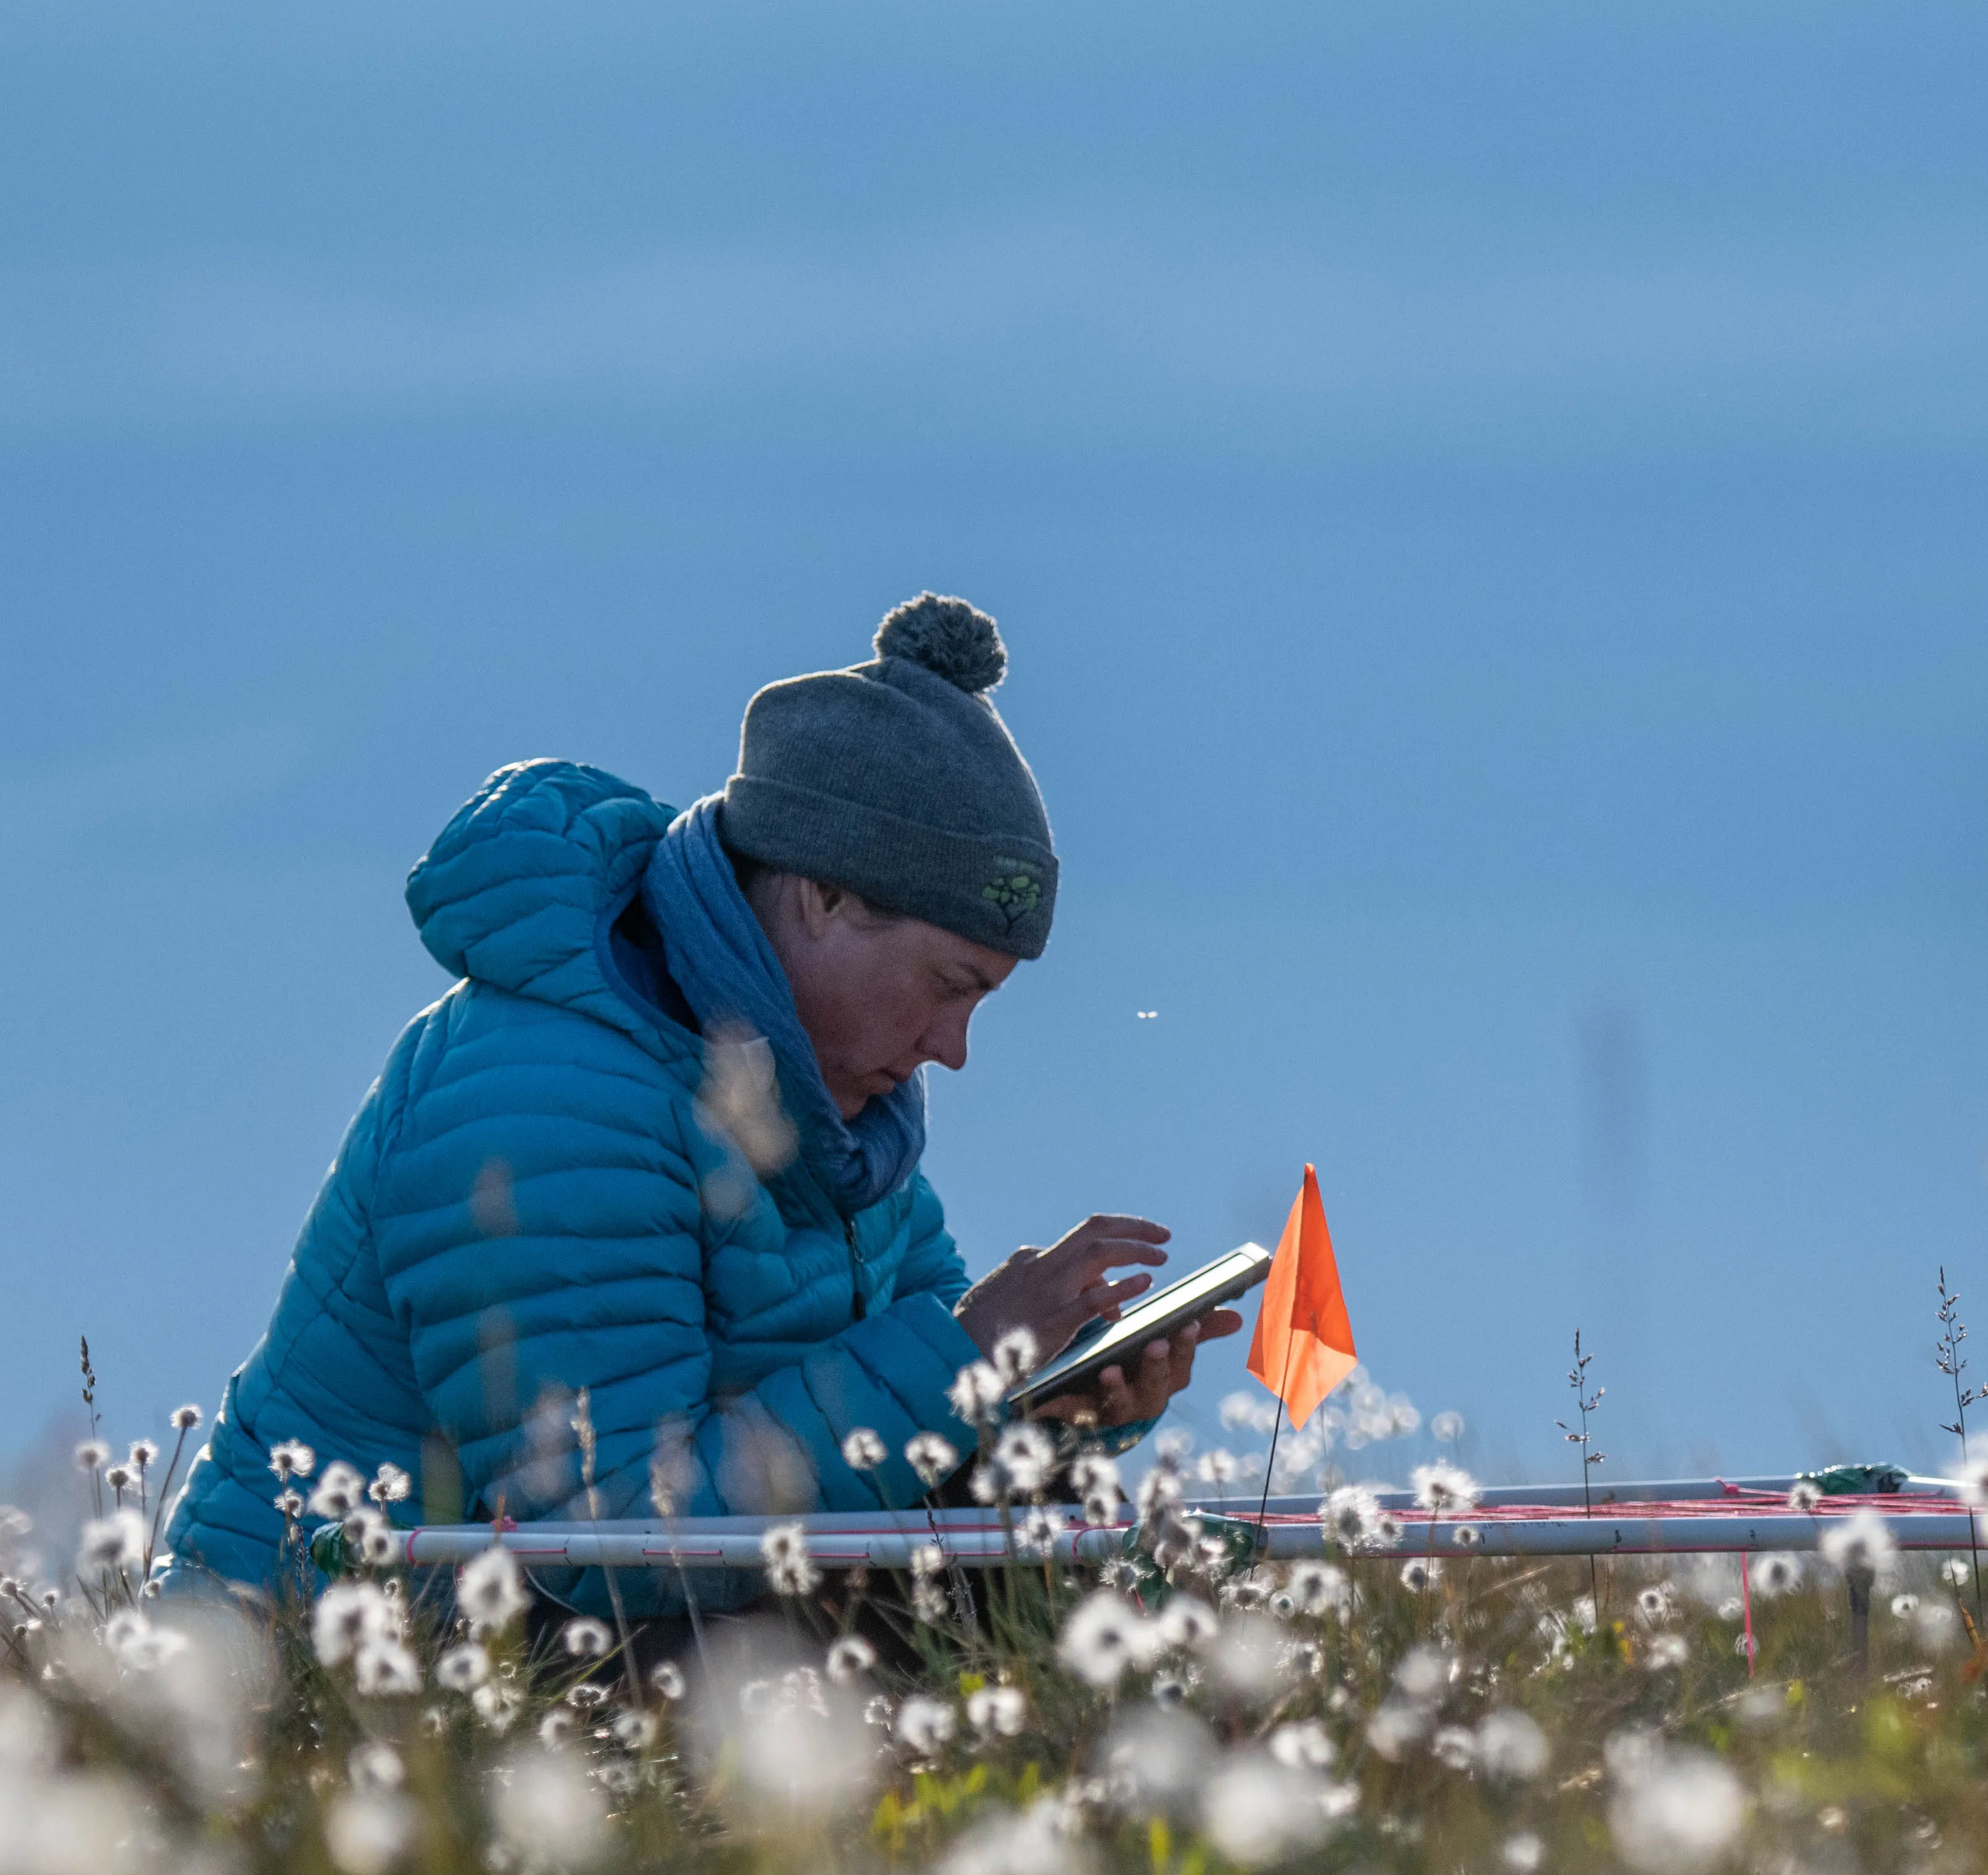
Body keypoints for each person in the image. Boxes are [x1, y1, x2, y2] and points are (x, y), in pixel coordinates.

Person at [159, 591, 1227, 1602]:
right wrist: (966, 1352)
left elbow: (894, 1439)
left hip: (574, 1661)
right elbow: (609, 1539)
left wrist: (1055, 1408)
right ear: (824, 898)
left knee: (1029, 1536)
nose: (951, 1049)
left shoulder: (833, 1121)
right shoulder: (547, 1099)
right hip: (331, 1684)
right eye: (950, 988)